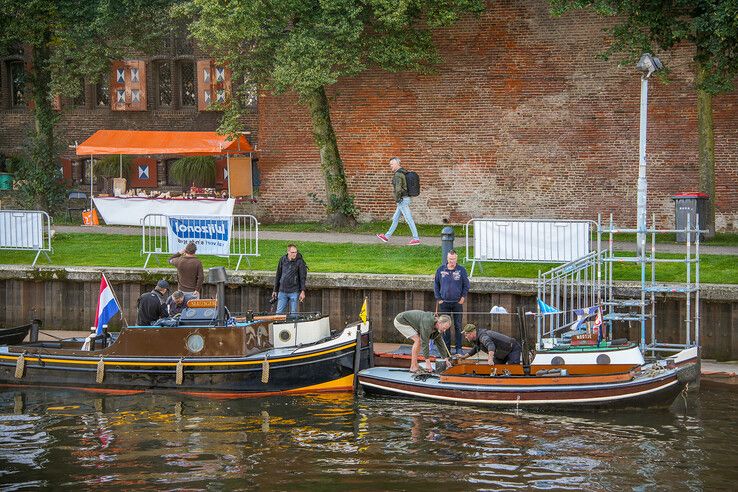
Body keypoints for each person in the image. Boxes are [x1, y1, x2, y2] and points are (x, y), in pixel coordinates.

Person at [376, 157, 420, 246]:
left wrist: (397, 199)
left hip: (402, 200)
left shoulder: (398, 175)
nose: (390, 166)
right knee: (395, 218)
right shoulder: (404, 171)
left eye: (391, 164)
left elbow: (398, 189)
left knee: (409, 219)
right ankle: (386, 236)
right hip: (405, 198)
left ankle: (416, 239)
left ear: (397, 164)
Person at [434, 250, 470, 355]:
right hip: (444, 303)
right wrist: (439, 298)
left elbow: (466, 285)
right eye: (450, 259)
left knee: (458, 325)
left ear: (457, 259)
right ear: (447, 258)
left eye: (454, 259)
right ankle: (446, 348)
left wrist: (463, 297)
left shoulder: (461, 270)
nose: (452, 261)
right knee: (444, 326)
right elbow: (436, 285)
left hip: (457, 303)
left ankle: (459, 348)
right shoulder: (440, 270)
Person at [271, 244, 308, 315]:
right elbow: (278, 275)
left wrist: (302, 291)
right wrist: (275, 290)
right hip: (282, 291)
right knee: (278, 313)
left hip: (294, 292)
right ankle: (278, 325)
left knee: (294, 314)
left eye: (296, 252)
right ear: (288, 252)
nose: (294, 254)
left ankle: (293, 325)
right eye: (292, 252)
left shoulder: (300, 262)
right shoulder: (282, 259)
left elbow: (302, 277)